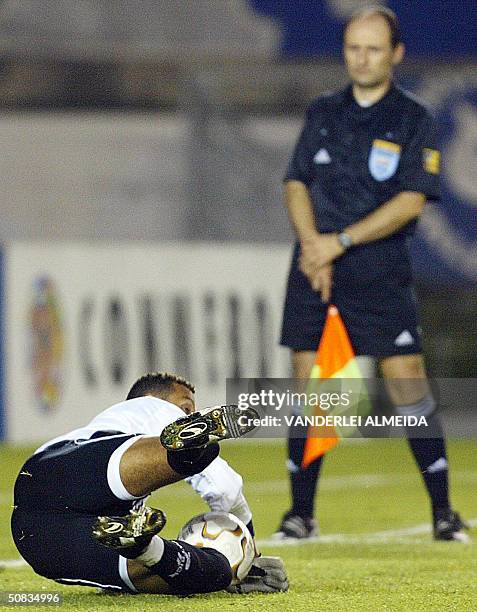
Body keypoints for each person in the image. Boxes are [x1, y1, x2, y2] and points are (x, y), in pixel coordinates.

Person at [275, 7, 469, 542]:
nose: (362, 58)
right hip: (314, 269)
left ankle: (443, 513)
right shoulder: (322, 110)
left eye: (373, 49)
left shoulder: (414, 118)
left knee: (406, 385)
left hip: (378, 272)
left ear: (396, 54)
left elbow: (410, 202)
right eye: (354, 48)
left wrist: (337, 243)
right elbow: (295, 182)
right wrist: (313, 246)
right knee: (316, 387)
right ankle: (300, 515)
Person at [11, 372, 288, 595]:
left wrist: (238, 567)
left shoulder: (107, 427)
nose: (191, 411)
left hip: (40, 538)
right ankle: (188, 453)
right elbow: (223, 487)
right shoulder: (150, 407)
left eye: (191, 413)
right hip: (59, 486)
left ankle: (146, 548)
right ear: (150, 398)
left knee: (213, 576)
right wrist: (249, 550)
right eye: (187, 407)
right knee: (196, 455)